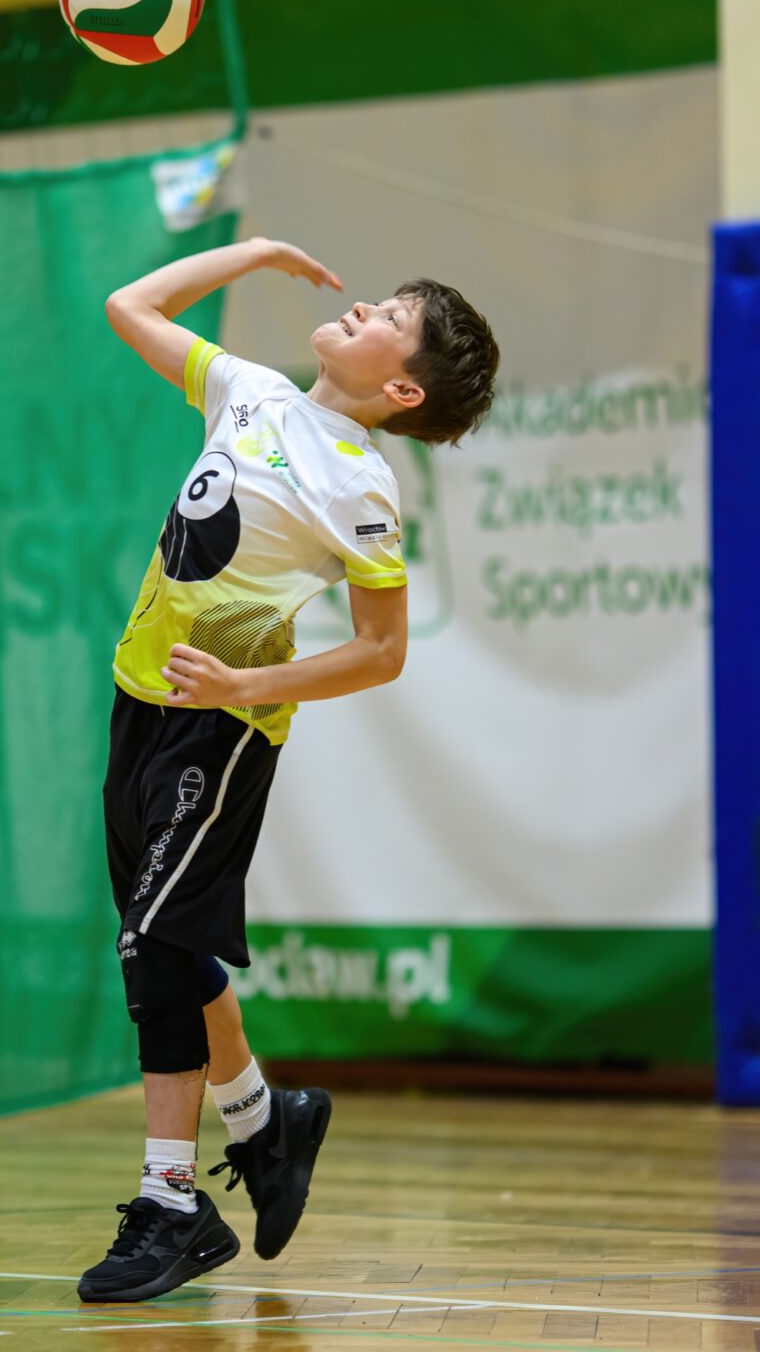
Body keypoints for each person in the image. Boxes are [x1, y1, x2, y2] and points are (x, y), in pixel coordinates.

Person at [78, 236, 499, 1304]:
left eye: (387, 318)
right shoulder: (251, 391)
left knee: (153, 948)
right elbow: (130, 305)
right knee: (168, 944)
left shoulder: (359, 485)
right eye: (375, 300)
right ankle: (266, 1125)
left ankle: (171, 1204)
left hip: (219, 730)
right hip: (138, 703)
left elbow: (381, 650)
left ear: (402, 390)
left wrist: (245, 685)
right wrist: (256, 253)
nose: (362, 307)